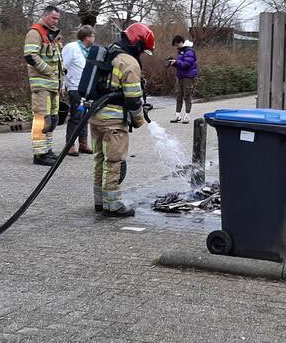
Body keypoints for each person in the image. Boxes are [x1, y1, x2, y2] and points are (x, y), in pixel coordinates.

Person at [90, 22, 154, 217]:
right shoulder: (129, 63)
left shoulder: (109, 53)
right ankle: (113, 205)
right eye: (143, 50)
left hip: (96, 116)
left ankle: (100, 202)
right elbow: (133, 99)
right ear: (138, 44)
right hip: (115, 121)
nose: (142, 54)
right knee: (114, 162)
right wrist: (139, 120)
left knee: (99, 159)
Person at [23, 6, 64, 165]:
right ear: (45, 16)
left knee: (52, 119)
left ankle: (47, 150)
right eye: (54, 18)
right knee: (42, 119)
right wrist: (48, 71)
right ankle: (39, 154)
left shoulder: (53, 35)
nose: (56, 21)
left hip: (53, 85)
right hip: (42, 85)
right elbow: (30, 56)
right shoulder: (35, 33)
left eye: (57, 19)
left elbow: (58, 60)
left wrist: (60, 80)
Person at [61, 24, 95, 156]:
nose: (94, 39)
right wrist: (63, 85)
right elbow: (63, 66)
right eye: (93, 36)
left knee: (85, 117)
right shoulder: (72, 48)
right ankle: (69, 145)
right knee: (76, 117)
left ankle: (83, 143)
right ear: (87, 37)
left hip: (86, 89)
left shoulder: (88, 51)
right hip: (75, 88)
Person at [167, 35, 198, 123]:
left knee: (187, 96)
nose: (176, 47)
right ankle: (177, 116)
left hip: (188, 76)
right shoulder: (181, 51)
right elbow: (181, 64)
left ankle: (187, 116)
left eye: (177, 45)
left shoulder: (189, 51)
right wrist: (174, 63)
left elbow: (187, 64)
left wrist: (177, 62)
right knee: (179, 96)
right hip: (180, 76)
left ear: (181, 42)